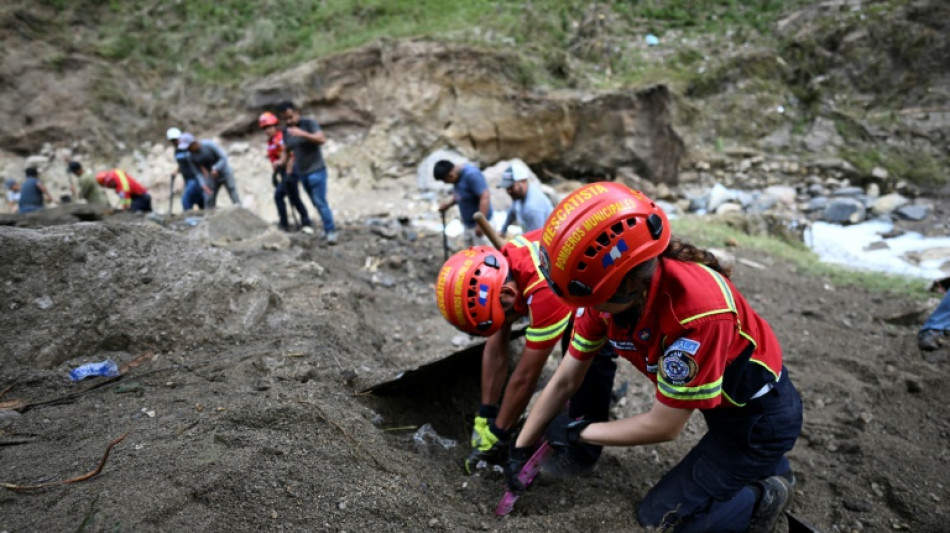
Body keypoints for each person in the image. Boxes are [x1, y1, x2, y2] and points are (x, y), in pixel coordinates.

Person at [507, 182, 803, 533]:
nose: (584, 309)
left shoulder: (697, 315)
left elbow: (665, 426)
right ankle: (764, 466)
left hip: (757, 421)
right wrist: (523, 445)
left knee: (662, 520)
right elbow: (568, 378)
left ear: (628, 284)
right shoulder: (604, 297)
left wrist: (580, 433)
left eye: (590, 301)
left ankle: (765, 494)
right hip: (724, 411)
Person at [436, 233, 616, 475]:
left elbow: (526, 377)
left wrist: (499, 433)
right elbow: (496, 349)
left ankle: (583, 455)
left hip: (611, 282)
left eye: (502, 319)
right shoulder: (501, 267)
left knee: (590, 358)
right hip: (571, 277)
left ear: (509, 295)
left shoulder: (544, 294)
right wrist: (486, 414)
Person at [277, 101, 337, 244]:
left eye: (290, 117)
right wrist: (281, 162)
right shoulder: (287, 131)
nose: (288, 121)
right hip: (303, 172)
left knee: (320, 201)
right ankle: (326, 228)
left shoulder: (309, 124)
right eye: (285, 119)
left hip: (317, 170)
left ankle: (331, 230)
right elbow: (287, 149)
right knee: (315, 202)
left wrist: (302, 134)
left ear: (297, 112)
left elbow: (321, 139)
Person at [259, 111, 311, 232]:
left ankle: (293, 222)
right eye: (265, 128)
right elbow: (273, 158)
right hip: (282, 171)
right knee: (290, 196)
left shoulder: (282, 137)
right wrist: (275, 173)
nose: (267, 130)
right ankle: (300, 220)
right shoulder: (270, 142)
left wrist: (288, 173)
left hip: (292, 170)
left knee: (285, 196)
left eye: (269, 127)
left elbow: (291, 155)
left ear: (275, 126)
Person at [433, 160, 494, 247]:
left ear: (450, 176)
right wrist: (448, 205)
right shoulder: (457, 178)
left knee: (486, 256)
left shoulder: (472, 175)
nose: (446, 183)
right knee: (471, 256)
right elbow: (461, 194)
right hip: (468, 225)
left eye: (445, 181)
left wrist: (481, 224)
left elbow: (485, 196)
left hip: (480, 225)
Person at [178, 133, 239, 208]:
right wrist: (203, 184)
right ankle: (210, 216)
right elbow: (197, 172)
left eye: (189, 147)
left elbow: (223, 157)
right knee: (209, 198)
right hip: (212, 176)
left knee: (232, 191)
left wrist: (216, 168)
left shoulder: (209, 145)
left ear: (193, 143)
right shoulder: (190, 156)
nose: (188, 150)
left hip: (224, 172)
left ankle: (240, 211)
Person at [498, 164, 553, 237]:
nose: (509, 191)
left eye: (511, 187)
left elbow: (536, 240)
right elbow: (512, 211)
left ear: (523, 181)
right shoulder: (520, 194)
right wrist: (503, 231)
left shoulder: (532, 208)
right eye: (507, 188)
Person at [166, 127, 206, 211]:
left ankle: (188, 216)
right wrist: (176, 172)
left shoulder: (188, 149)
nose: (174, 142)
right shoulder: (177, 151)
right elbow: (181, 164)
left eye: (175, 139)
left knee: (186, 199)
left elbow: (199, 161)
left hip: (195, 178)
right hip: (187, 179)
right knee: (199, 200)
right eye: (172, 140)